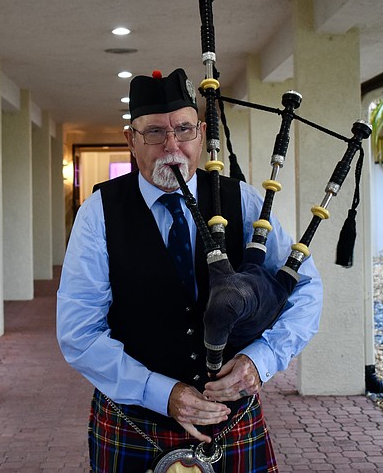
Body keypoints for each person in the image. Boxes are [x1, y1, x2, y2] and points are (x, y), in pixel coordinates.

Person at [57, 68, 322, 472]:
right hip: (135, 422)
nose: (172, 146)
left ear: (200, 132)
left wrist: (260, 360)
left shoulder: (244, 201)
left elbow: (304, 286)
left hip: (232, 424)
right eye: (154, 133)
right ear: (130, 139)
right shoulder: (100, 214)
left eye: (183, 129)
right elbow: (79, 332)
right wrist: (162, 393)